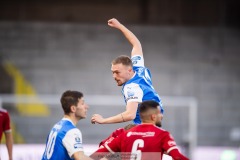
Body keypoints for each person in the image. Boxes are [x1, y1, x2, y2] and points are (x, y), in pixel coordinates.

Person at [91, 18, 163, 125]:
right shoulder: (138, 68)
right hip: (155, 120)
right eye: (112, 72)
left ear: (129, 70)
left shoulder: (132, 86)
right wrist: (119, 26)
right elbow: (136, 44)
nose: (114, 76)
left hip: (144, 127)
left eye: (117, 72)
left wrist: (103, 120)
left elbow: (130, 114)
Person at [90, 100, 189, 160]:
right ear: (154, 116)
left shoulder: (124, 135)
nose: (162, 116)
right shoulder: (162, 135)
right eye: (160, 113)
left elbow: (97, 156)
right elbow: (177, 157)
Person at [42, 90, 93, 160]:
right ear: (73, 108)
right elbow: (80, 157)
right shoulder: (71, 131)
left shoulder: (57, 126)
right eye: (82, 103)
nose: (86, 106)